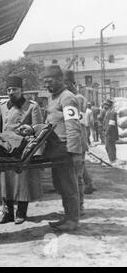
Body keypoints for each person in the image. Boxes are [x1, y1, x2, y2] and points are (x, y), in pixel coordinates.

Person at [0, 75, 43, 225]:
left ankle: (21, 212)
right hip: (5, 148)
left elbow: (39, 129)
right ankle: (7, 213)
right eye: (8, 89)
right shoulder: (2, 107)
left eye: (14, 89)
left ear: (21, 90)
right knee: (6, 181)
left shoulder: (32, 107)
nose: (10, 92)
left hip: (22, 149)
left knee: (22, 181)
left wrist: (30, 129)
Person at [43, 65, 82, 231]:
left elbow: (73, 126)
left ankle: (72, 220)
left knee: (69, 186)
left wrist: (74, 153)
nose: (47, 85)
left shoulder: (68, 98)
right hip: (55, 150)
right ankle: (67, 216)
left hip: (66, 149)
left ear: (60, 79)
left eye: (49, 81)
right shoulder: (53, 98)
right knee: (60, 185)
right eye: (45, 82)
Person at [63, 70, 94, 214]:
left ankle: (79, 206)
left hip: (78, 139)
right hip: (73, 139)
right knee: (76, 172)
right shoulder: (70, 97)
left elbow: (76, 121)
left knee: (77, 175)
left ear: (71, 83)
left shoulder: (77, 98)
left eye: (66, 84)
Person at [103, 99, 125, 165]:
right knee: (110, 146)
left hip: (110, 133)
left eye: (105, 105)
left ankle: (112, 160)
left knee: (109, 146)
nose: (104, 106)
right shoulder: (108, 112)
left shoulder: (112, 113)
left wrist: (107, 131)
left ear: (108, 106)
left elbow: (111, 124)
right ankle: (113, 159)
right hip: (108, 132)